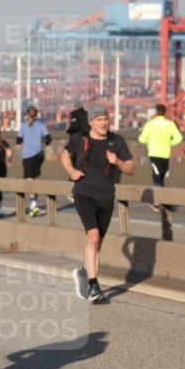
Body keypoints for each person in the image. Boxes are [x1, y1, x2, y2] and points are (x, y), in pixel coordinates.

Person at [62, 103, 135, 303]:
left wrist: (117, 162)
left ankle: (85, 273)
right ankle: (94, 285)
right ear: (91, 122)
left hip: (106, 197)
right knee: (93, 237)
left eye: (106, 119)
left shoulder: (116, 141)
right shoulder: (80, 139)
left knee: (97, 243)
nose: (104, 123)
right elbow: (65, 155)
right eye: (99, 120)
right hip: (84, 193)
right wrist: (71, 172)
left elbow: (131, 168)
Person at [138, 104, 183, 210]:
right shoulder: (170, 124)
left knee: (157, 178)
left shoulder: (150, 124)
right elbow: (179, 138)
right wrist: (169, 143)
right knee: (161, 178)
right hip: (165, 154)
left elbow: (142, 139)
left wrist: (151, 141)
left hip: (154, 153)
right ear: (165, 112)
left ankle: (158, 202)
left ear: (156, 112)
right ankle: (163, 200)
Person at [16, 106, 51, 216]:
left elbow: (18, 140)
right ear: (36, 114)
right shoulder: (41, 125)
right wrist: (43, 144)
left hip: (28, 156)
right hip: (39, 155)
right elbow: (48, 138)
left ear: (27, 115)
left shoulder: (23, 126)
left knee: (29, 180)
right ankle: (33, 204)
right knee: (35, 179)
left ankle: (33, 204)